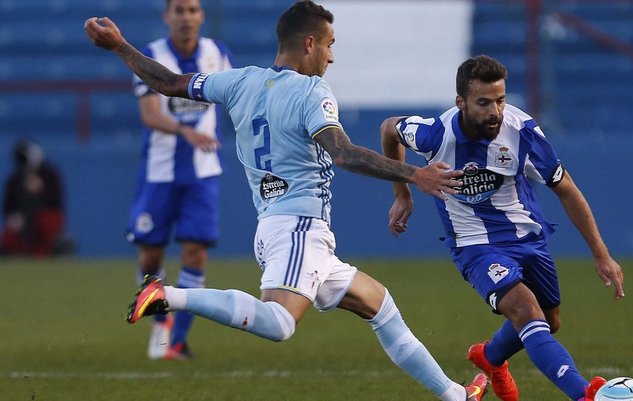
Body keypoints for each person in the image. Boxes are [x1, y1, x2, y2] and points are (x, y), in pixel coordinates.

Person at [84, 2, 489, 400]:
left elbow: (170, 83)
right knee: (279, 323)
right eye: (330, 44)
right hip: (298, 228)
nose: (332, 57)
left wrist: (120, 46)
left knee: (381, 307)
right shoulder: (312, 91)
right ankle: (167, 296)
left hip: (284, 229)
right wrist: (414, 174)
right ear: (309, 43)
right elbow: (343, 153)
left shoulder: (238, 81)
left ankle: (456, 395)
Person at [380, 55, 626, 401]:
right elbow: (389, 128)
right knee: (526, 312)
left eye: (500, 100)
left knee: (550, 321)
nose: (495, 111)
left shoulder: (522, 132)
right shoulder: (435, 134)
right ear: (460, 103)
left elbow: (566, 188)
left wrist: (601, 255)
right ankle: (585, 394)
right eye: (483, 103)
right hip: (474, 244)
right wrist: (402, 192)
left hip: (527, 236)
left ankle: (490, 357)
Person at [126, 0, 233, 360]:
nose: (186, 17)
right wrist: (186, 132)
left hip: (203, 174)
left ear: (201, 16)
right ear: (166, 16)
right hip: (159, 173)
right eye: (179, 10)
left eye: (192, 10)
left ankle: (177, 342)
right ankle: (160, 320)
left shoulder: (216, 53)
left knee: (195, 252)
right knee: (150, 254)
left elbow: (234, 100)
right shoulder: (150, 55)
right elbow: (150, 115)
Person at [1, 140, 69, 257]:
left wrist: (41, 190)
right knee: (9, 237)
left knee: (47, 224)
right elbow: (8, 206)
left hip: (44, 218)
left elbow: (56, 202)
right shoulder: (15, 179)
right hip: (22, 221)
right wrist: (15, 216)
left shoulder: (49, 175)